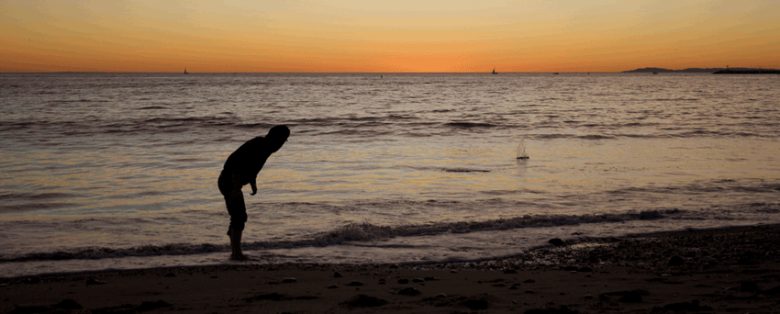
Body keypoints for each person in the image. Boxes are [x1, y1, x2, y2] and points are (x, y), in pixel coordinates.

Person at [218, 125, 290, 260]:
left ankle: (234, 244)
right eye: (281, 140)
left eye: (284, 141)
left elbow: (254, 165)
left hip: (235, 183)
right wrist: (235, 190)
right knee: (239, 216)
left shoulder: (268, 147)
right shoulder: (257, 145)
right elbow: (235, 164)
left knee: (238, 216)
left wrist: (252, 182)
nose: (281, 144)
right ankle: (236, 254)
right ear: (272, 136)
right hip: (229, 181)